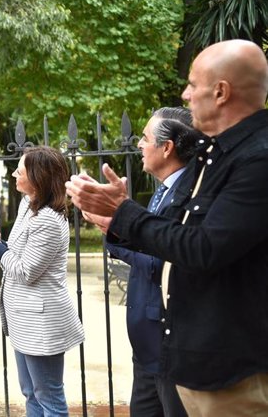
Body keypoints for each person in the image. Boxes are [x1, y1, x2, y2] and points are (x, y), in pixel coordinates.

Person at [66, 39, 268, 416]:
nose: (185, 94)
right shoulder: (215, 156)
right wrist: (117, 220)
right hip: (193, 364)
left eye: (193, 84)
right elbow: (176, 237)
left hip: (231, 375)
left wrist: (124, 212)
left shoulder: (257, 158)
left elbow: (204, 248)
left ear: (221, 92)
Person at [0, 146, 85, 416]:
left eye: (21, 169)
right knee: (31, 394)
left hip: (42, 324)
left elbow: (26, 271)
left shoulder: (48, 220)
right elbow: (18, 255)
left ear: (38, 177)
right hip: (25, 321)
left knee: (49, 398)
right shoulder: (29, 205)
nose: (15, 172)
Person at [88, 107, 197, 417]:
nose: (138, 144)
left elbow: (165, 261)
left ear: (167, 147)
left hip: (171, 344)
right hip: (146, 347)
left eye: (145, 138)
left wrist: (117, 227)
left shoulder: (189, 195)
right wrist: (114, 230)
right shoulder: (161, 191)